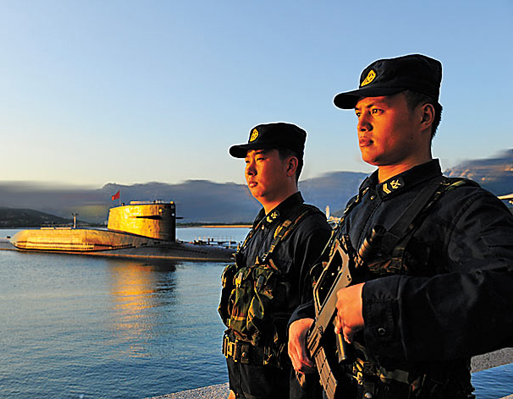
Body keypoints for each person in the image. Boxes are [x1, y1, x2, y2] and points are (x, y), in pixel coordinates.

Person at [288, 54, 513, 398]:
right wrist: (304, 318)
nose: (362, 124)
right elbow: (327, 281)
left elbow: (505, 291)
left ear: (425, 116)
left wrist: (380, 304)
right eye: (358, 113)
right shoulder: (360, 206)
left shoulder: (461, 206)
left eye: (377, 110)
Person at [219, 122, 332, 399]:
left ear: (290, 166)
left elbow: (316, 336)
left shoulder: (310, 231)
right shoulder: (258, 230)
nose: (249, 170)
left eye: (260, 159)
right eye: (247, 161)